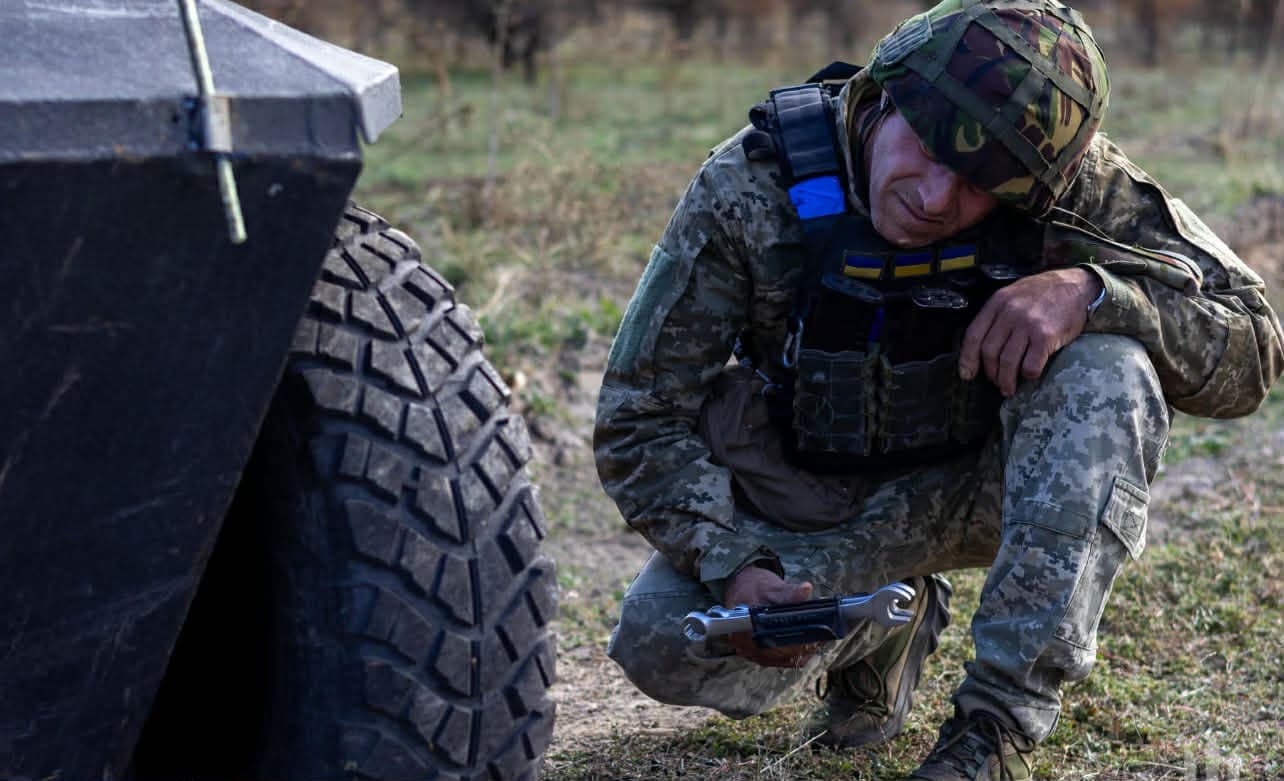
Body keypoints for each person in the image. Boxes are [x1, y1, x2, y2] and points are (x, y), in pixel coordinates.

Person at [593, 0, 1283, 778]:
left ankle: (998, 726)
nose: (933, 198)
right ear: (881, 96)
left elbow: (1255, 341)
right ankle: (886, 621)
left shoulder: (1068, 186)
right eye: (926, 151)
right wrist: (733, 562)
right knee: (663, 638)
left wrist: (1093, 293)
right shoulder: (749, 189)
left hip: (989, 487)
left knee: (1109, 367)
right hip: (820, 509)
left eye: (978, 185)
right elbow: (637, 417)